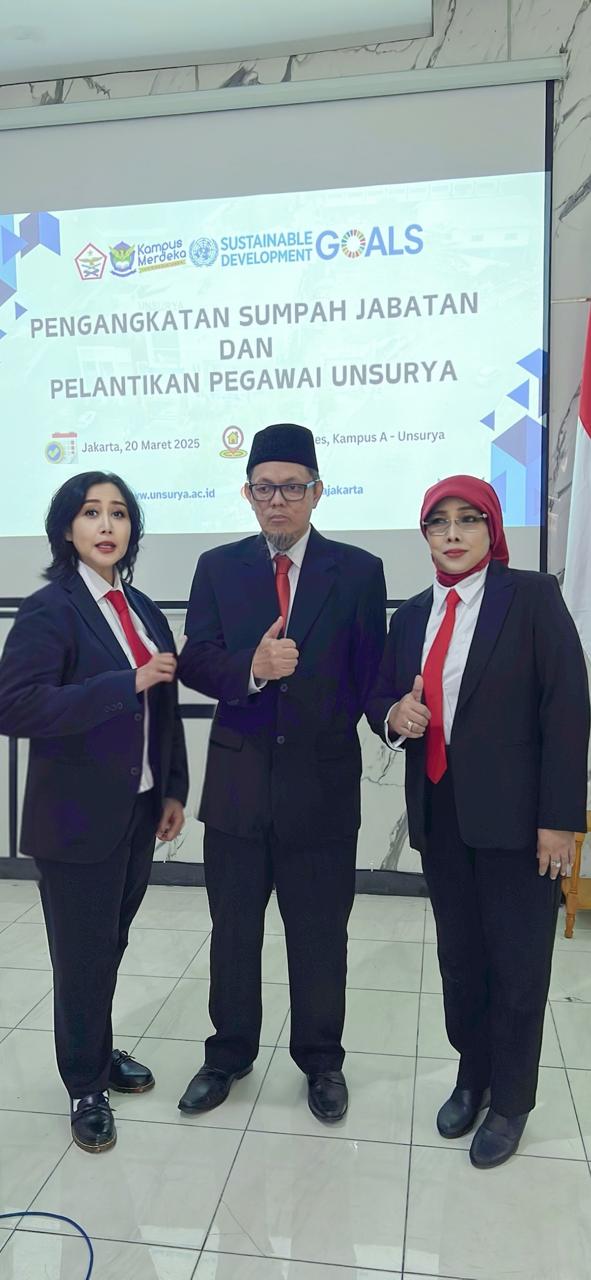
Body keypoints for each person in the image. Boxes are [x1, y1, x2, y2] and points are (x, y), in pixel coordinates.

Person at [366, 475, 589, 1168]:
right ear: (425, 535)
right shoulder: (410, 615)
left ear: (492, 529)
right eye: (439, 522)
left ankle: (511, 1101)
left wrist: (559, 820)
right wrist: (394, 715)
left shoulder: (531, 597)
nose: (454, 533)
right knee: (460, 960)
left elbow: (566, 706)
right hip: (440, 818)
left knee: (518, 963)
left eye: (469, 519)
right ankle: (473, 1075)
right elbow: (381, 696)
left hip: (520, 825)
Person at [177, 423, 386, 1121]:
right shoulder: (217, 567)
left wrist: (393, 715)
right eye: (264, 488)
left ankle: (321, 1062)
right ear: (247, 494)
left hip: (321, 788)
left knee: (320, 935)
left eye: (292, 488)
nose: (277, 501)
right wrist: (252, 668)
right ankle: (228, 1053)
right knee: (234, 931)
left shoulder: (358, 572)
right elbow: (196, 660)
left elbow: (369, 674)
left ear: (316, 492)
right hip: (238, 788)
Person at [0, 472, 188, 1153]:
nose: (107, 525)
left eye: (119, 513)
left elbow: (163, 705)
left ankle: (99, 1053)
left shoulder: (141, 609)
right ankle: (84, 1083)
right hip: (75, 819)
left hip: (137, 810)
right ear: (66, 528)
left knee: (109, 945)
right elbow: (15, 706)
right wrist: (122, 682)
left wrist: (173, 788)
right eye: (90, 512)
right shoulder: (50, 609)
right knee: (81, 957)